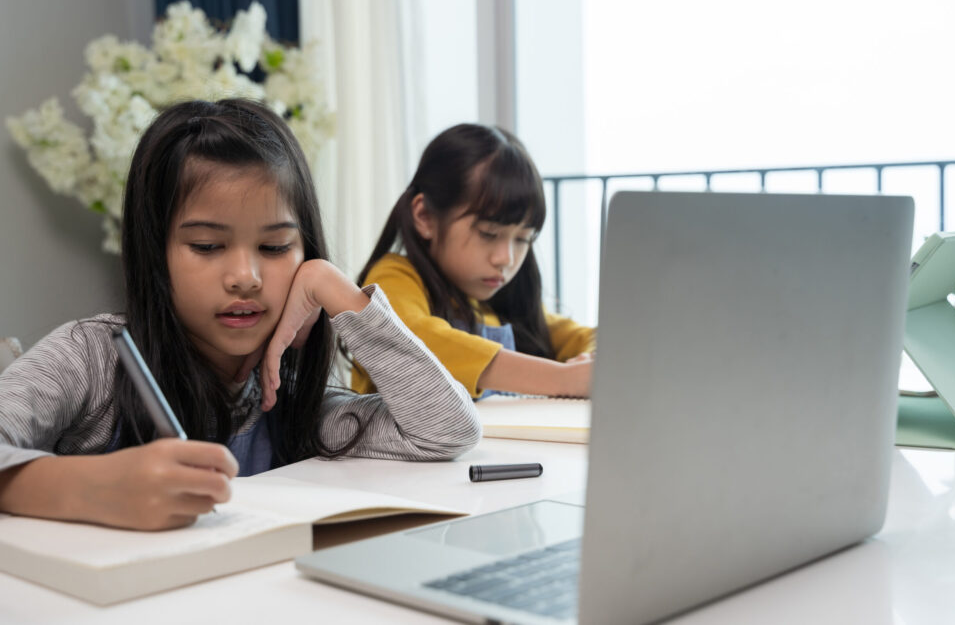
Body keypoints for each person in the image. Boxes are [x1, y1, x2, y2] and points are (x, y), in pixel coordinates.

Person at [0, 99, 480, 531]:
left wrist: (336, 289)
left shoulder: (290, 406)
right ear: (155, 252)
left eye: (275, 247)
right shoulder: (90, 359)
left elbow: (447, 430)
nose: (245, 277)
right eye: (207, 246)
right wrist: (94, 486)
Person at [352, 123, 595, 400]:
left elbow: (578, 335)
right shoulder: (393, 277)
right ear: (425, 216)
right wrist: (562, 379)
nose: (506, 258)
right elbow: (413, 340)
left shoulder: (494, 302)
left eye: (523, 239)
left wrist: (594, 361)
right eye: (488, 234)